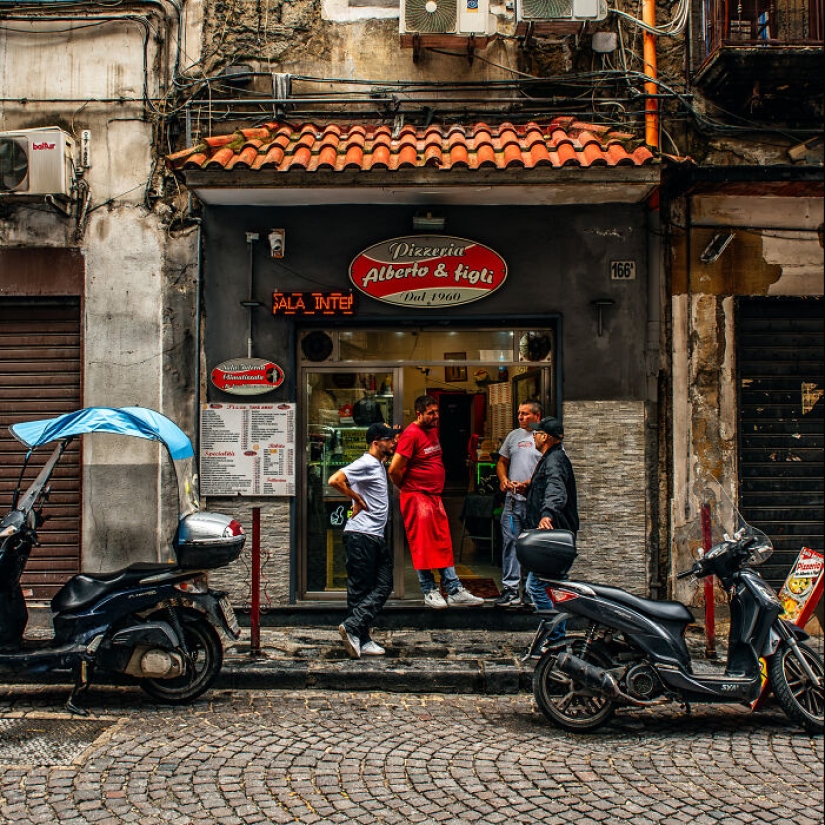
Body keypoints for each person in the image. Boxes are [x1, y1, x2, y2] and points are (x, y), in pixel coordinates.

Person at [388, 395, 484, 609]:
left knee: (441, 543)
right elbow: (394, 469)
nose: (436, 416)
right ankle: (429, 590)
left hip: (433, 496)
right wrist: (407, 487)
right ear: (418, 414)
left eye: (436, 412)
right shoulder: (411, 435)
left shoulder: (431, 431)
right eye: (430, 413)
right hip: (417, 496)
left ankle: (453, 589)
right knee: (423, 545)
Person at [327, 422, 397, 659]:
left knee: (381, 584)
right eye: (389, 440)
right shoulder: (366, 462)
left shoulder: (377, 463)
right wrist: (355, 498)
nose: (394, 443)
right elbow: (334, 480)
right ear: (377, 443)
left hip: (372, 535)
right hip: (361, 535)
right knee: (362, 589)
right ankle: (356, 631)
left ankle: (359, 634)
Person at [523, 416, 579, 638]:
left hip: (553, 535)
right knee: (550, 586)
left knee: (536, 586)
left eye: (537, 433)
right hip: (556, 534)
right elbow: (549, 484)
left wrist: (547, 515)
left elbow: (556, 489)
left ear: (545, 437)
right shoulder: (553, 457)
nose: (534, 436)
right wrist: (528, 487)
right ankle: (554, 636)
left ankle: (556, 638)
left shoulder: (554, 461)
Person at [493, 401, 543, 607]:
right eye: (519, 413)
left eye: (525, 414)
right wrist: (504, 480)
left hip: (534, 503)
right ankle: (511, 589)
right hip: (513, 502)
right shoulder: (513, 436)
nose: (520, 417)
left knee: (533, 547)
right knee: (511, 544)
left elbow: (548, 468)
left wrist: (529, 484)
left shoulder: (544, 438)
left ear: (537, 416)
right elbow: (502, 461)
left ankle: (531, 591)